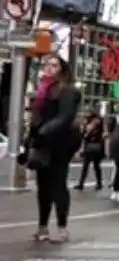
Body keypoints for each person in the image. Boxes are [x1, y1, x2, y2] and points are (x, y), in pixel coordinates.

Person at [27, 56, 79, 242]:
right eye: (47, 65)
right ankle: (42, 227)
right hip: (43, 142)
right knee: (43, 186)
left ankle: (61, 227)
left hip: (61, 142)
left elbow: (65, 117)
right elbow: (36, 119)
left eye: (54, 65)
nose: (49, 68)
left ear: (62, 69)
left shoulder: (67, 90)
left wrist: (44, 131)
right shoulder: (43, 89)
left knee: (58, 183)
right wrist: (30, 141)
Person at [75, 110, 105, 191]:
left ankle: (83, 184)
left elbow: (87, 135)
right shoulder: (92, 123)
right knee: (93, 166)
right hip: (92, 146)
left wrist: (85, 132)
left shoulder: (95, 123)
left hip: (93, 146)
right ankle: (97, 183)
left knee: (90, 166)